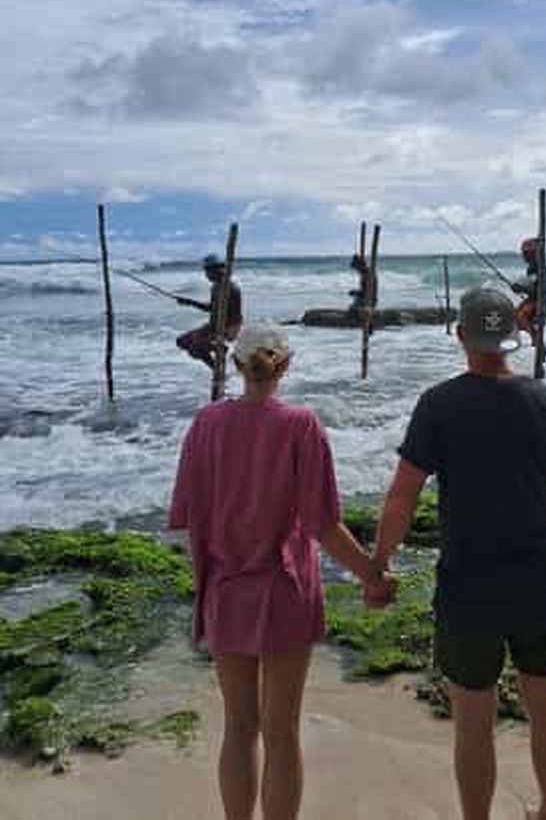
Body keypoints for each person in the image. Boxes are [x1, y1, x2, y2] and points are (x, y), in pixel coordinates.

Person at [371, 287, 546, 820]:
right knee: (545, 704)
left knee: (473, 721)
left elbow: (402, 497)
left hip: (468, 584)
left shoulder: (439, 404)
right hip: (535, 577)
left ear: (460, 335)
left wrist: (379, 564)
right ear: (514, 336)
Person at [168, 323, 393, 820]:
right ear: (285, 365)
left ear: (235, 364)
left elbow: (189, 516)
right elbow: (323, 525)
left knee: (238, 727)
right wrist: (371, 574)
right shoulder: (301, 425)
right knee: (281, 732)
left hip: (225, 591)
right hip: (286, 591)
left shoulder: (206, 423)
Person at [175, 253, 243, 369]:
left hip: (228, 328)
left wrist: (218, 332)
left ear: (217, 270)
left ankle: (217, 365)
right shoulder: (215, 287)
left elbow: (234, 317)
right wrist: (190, 302)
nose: (206, 275)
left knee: (196, 347)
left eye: (207, 271)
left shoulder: (231, 288)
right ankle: (216, 355)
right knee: (182, 341)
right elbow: (212, 308)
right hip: (213, 326)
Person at [511, 237, 546, 337]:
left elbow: (540, 288)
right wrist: (519, 288)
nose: (523, 256)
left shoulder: (540, 267)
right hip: (532, 300)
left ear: (534, 253)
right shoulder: (531, 268)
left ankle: (535, 337)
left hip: (541, 302)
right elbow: (531, 284)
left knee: (522, 316)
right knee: (513, 315)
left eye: (526, 253)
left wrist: (521, 288)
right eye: (523, 253)